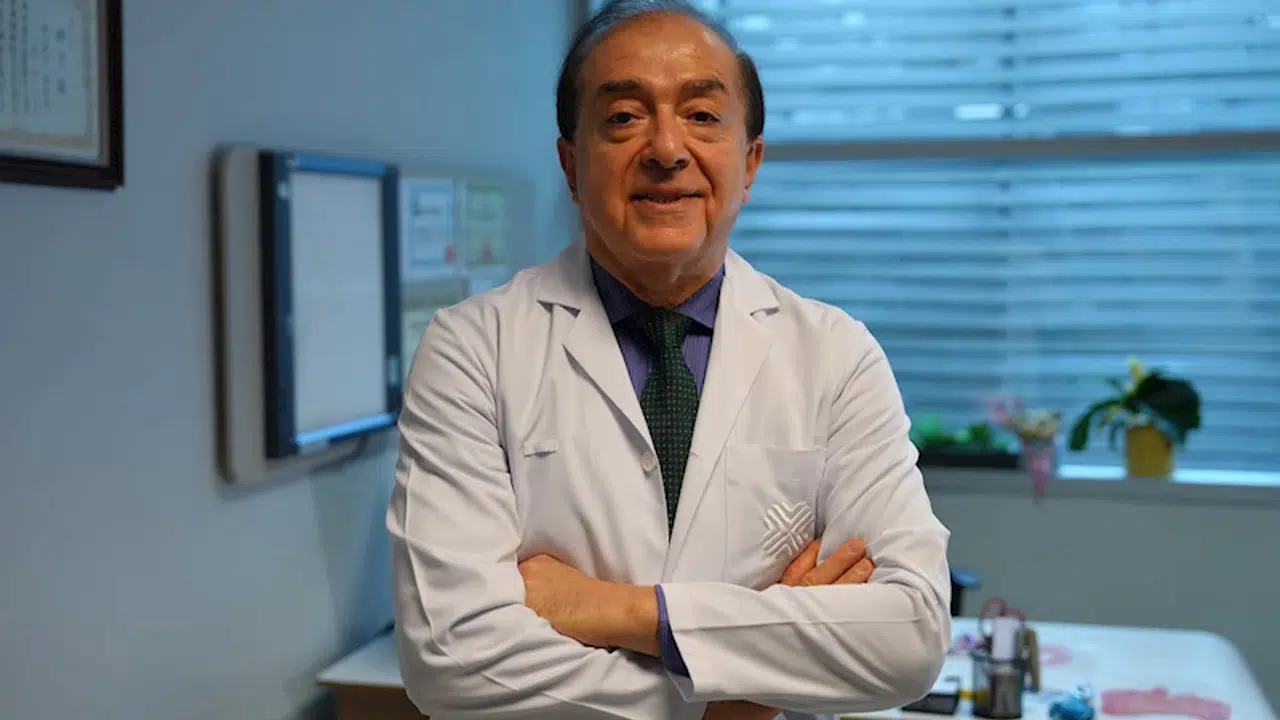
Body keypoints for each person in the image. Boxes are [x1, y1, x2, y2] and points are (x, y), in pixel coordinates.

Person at [386, 1, 952, 718]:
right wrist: (730, 700)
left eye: (702, 116)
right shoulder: (474, 349)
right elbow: (452, 658)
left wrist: (617, 611)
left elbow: (910, 635)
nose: (665, 149)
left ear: (750, 162)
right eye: (623, 117)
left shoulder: (835, 355)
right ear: (570, 163)